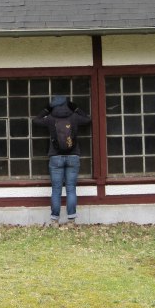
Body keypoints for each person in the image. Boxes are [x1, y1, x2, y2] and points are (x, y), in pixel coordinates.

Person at [33, 95, 91, 226]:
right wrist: (75, 108)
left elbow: (36, 120)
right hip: (73, 156)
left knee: (56, 189)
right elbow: (88, 119)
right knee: (71, 188)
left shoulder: (51, 119)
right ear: (67, 105)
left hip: (55, 157)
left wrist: (46, 109)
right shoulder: (74, 117)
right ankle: (71, 220)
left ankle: (54, 220)